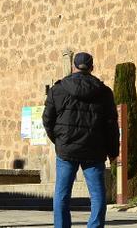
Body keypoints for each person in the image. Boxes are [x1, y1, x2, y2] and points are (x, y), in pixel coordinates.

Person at [42, 52, 118, 228]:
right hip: (95, 150)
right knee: (98, 194)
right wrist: (113, 151)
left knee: (62, 193)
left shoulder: (58, 89)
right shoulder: (104, 92)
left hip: (66, 149)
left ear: (73, 67)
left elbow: (47, 120)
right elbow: (111, 125)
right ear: (92, 68)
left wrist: (59, 140)